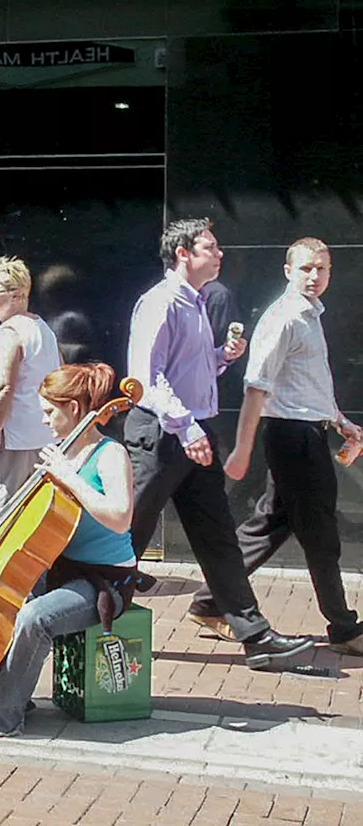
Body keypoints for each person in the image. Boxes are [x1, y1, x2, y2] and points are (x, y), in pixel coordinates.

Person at [127, 218, 312, 669]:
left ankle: (253, 633)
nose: (220, 253)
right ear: (183, 254)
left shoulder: (198, 301)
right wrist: (186, 427)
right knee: (126, 535)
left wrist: (219, 359)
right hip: (162, 434)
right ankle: (78, 618)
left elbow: (186, 370)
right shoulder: (161, 302)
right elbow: (144, 379)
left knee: (217, 536)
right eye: (210, 247)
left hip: (194, 431)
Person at [191, 238, 363, 656]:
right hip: (292, 437)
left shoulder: (310, 316)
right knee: (320, 533)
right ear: (288, 271)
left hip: (308, 432)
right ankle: (343, 627)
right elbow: (257, 387)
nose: (314, 276)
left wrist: (339, 421)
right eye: (305, 268)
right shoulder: (284, 317)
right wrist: (242, 450)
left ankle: (210, 600)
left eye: (321, 268)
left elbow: (309, 383)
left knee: (269, 524)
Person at [0, 363, 139, 739]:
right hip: (61, 569)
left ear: (74, 408)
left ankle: (1, 717)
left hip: (106, 579)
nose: (43, 421)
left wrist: (70, 478)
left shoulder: (109, 455)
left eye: (49, 412)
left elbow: (121, 518)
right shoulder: (61, 454)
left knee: (34, 618)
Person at [0, 257, 61, 536]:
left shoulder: (10, 332)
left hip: (14, 438)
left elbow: (3, 385)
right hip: (44, 435)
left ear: (16, 295)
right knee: (35, 515)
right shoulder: (44, 330)